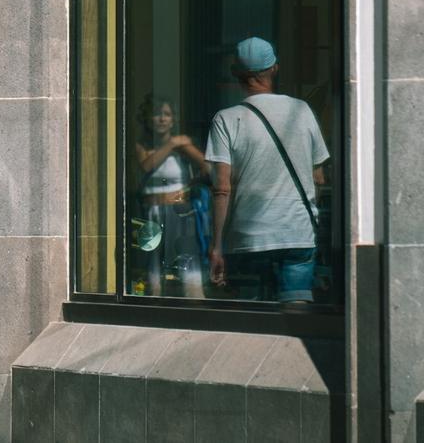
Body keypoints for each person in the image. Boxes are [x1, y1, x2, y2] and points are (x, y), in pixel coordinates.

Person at [206, 37, 329, 302]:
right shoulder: (302, 110)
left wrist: (216, 246)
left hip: (248, 237)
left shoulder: (226, 119)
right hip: (296, 233)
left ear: (237, 75)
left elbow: (221, 188)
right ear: (274, 68)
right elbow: (318, 178)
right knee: (297, 313)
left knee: (251, 318)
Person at [132, 94, 210, 297]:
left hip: (179, 213)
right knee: (153, 265)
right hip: (151, 214)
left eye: (166, 114)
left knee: (186, 262)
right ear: (147, 118)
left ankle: (194, 310)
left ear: (173, 119)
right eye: (156, 114)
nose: (161, 119)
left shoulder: (182, 145)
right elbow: (147, 165)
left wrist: (190, 183)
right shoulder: (142, 145)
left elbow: (207, 166)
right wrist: (172, 143)